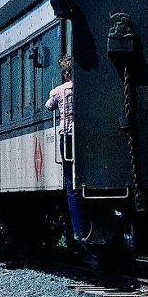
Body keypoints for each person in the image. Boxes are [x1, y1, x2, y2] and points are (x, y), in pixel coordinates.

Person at [45, 55, 86, 240]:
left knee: (71, 185)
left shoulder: (58, 91)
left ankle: (79, 229)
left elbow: (48, 106)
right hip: (84, 136)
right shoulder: (85, 89)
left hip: (67, 137)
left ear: (64, 73)